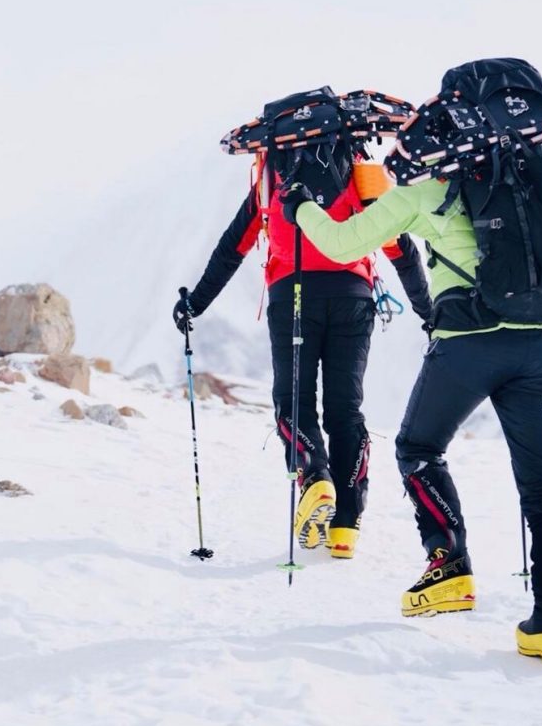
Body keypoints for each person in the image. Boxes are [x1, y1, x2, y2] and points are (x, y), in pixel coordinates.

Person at [279, 61, 542, 669]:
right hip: (539, 342)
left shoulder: (424, 194)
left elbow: (341, 245)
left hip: (467, 343)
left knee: (419, 446)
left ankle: (449, 566)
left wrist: (301, 209)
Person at [173, 89, 432, 560]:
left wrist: (196, 304)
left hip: (291, 295)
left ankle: (316, 479)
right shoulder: (361, 169)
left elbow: (233, 247)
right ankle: (345, 528)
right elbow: (399, 248)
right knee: (345, 409)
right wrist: (428, 312)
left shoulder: (272, 176)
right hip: (353, 296)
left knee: (292, 400)